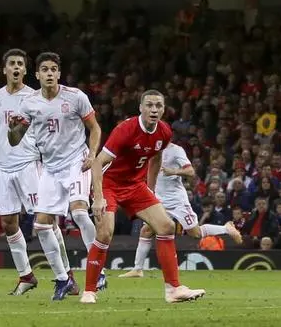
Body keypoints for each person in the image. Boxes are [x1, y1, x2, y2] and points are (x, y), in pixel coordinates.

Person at [80, 90, 205, 304]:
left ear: (164, 110)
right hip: (110, 184)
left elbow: (155, 159)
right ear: (141, 108)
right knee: (105, 233)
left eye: (158, 106)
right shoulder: (125, 130)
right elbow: (98, 163)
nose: (154, 110)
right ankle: (89, 291)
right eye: (149, 105)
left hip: (136, 186)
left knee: (166, 226)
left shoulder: (164, 132)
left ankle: (173, 289)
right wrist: (98, 197)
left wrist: (151, 190)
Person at [8, 52, 103, 301]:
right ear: (37, 75)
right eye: (45, 70)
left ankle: (98, 270)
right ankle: (63, 279)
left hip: (76, 161)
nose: (49, 73)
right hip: (50, 168)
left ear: (59, 74)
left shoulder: (75, 96)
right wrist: (12, 129)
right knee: (41, 225)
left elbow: (94, 128)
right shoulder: (29, 103)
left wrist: (92, 154)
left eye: (53, 69)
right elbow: (14, 139)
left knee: (79, 212)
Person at [0, 49, 72, 295]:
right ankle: (26, 275)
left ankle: (66, 274)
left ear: (26, 70)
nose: (17, 67)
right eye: (12, 63)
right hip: (1, 166)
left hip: (28, 164)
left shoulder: (34, 96)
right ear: (5, 69)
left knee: (45, 221)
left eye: (20, 63)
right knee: (8, 223)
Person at [119, 142, 241, 278]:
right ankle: (137, 269)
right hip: (158, 200)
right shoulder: (150, 148)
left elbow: (191, 171)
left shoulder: (176, 150)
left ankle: (226, 228)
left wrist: (174, 171)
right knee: (146, 231)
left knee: (195, 233)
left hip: (177, 201)